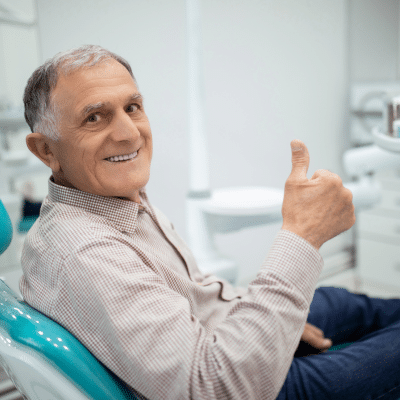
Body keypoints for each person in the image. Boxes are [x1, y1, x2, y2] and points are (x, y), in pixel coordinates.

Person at [20, 45, 400, 400]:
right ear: (46, 150)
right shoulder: (84, 250)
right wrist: (302, 236)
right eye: (94, 117)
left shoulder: (115, 201)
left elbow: (197, 295)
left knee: (342, 302)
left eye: (132, 107)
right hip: (242, 383)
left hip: (224, 343)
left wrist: (272, 325)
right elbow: (218, 388)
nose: (129, 133)